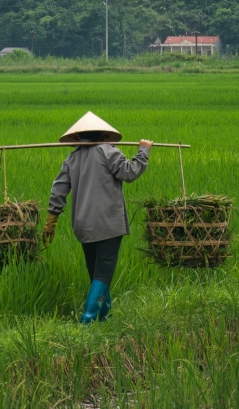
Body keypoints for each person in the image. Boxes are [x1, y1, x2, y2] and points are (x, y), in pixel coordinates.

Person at [43, 111, 152, 324]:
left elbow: (58, 191)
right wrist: (143, 151)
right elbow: (129, 173)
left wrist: (51, 221)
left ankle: (104, 318)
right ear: (103, 134)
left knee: (96, 273)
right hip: (108, 225)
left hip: (84, 227)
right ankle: (88, 320)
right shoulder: (107, 151)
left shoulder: (72, 158)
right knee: (103, 275)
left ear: (80, 137)